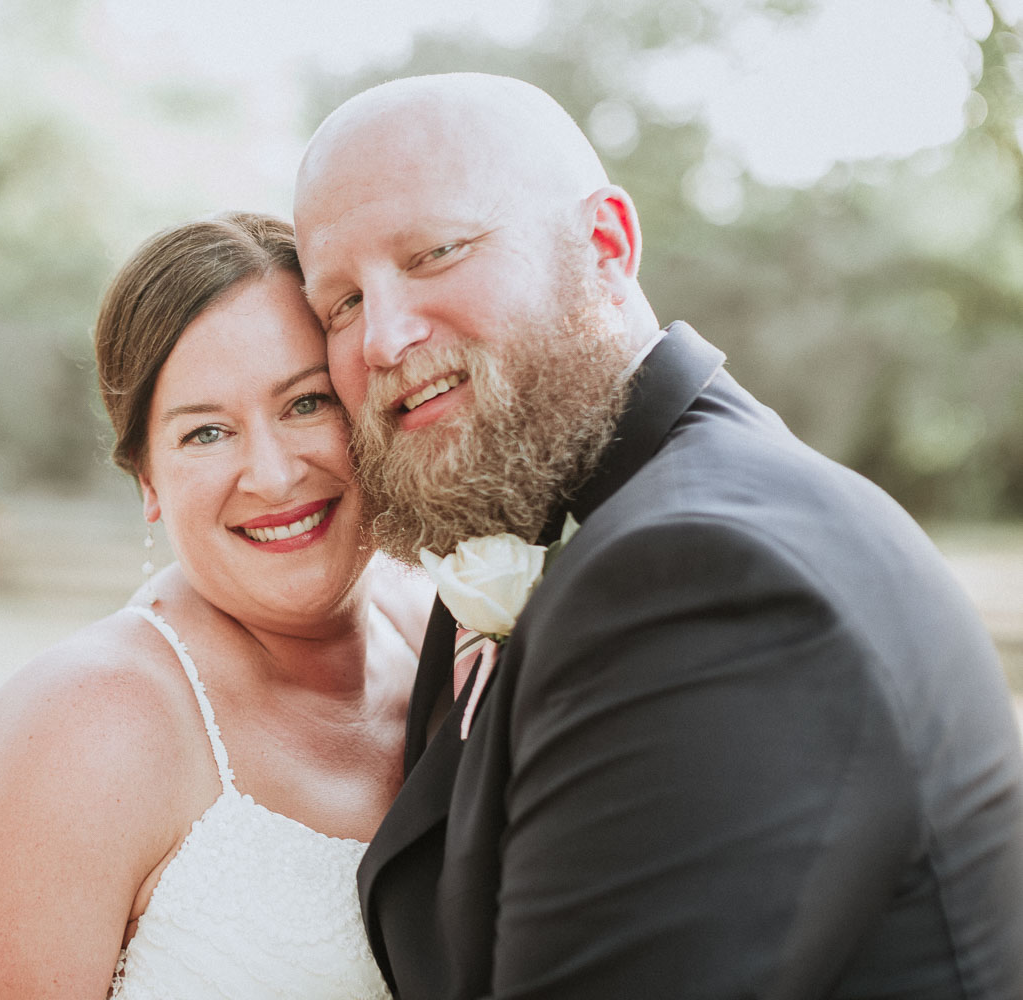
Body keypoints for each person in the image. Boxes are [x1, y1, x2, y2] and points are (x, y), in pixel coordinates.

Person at [293, 72, 1023, 1000]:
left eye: (436, 251)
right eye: (341, 304)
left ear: (606, 244)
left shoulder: (703, 578)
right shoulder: (563, 529)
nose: (384, 339)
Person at [0, 212, 428, 999]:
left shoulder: (452, 637)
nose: (272, 476)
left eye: (307, 404)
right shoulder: (89, 720)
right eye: (206, 433)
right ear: (147, 479)